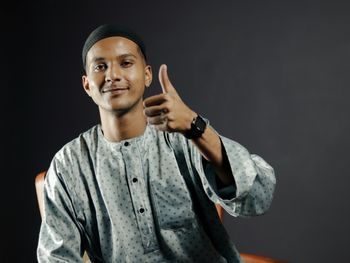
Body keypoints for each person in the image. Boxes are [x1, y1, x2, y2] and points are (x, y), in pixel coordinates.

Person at [37, 24, 276, 263]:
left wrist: (195, 128)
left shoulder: (185, 135)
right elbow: (55, 258)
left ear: (147, 74)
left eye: (126, 63)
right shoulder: (68, 165)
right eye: (100, 66)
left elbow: (257, 198)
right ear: (87, 84)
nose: (112, 75)